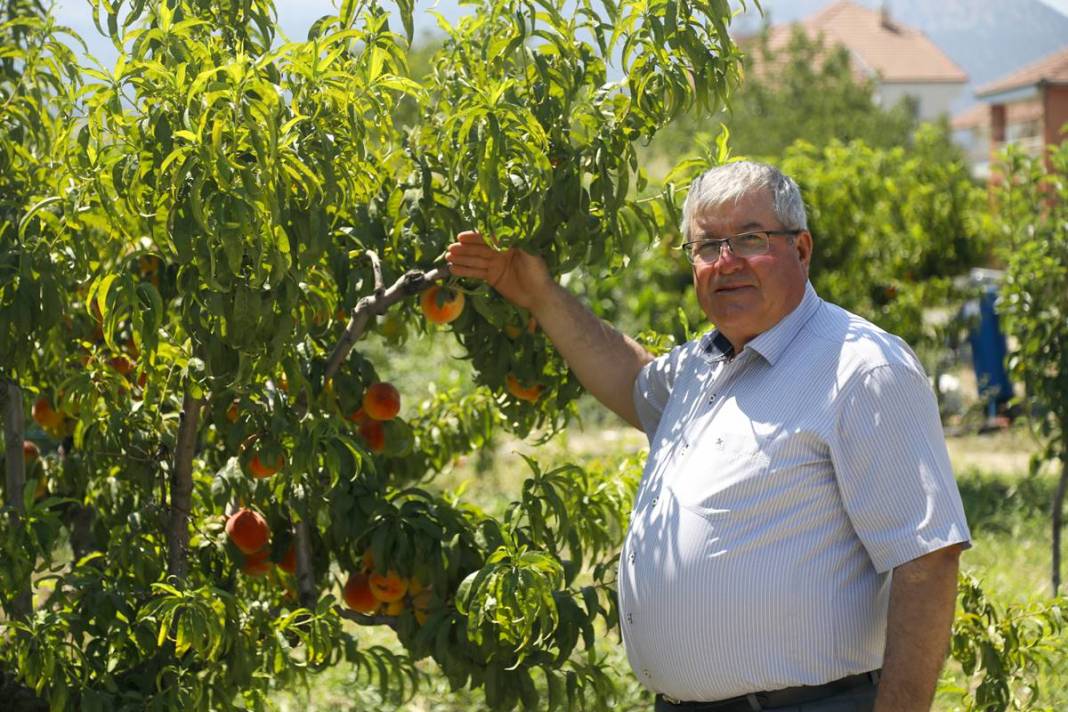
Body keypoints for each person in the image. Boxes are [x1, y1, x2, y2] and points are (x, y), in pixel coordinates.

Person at [446, 161, 971, 712]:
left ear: (801, 249)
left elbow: (927, 559)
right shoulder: (703, 364)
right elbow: (630, 381)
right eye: (707, 246)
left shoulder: (861, 369)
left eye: (750, 238)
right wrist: (540, 294)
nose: (726, 262)